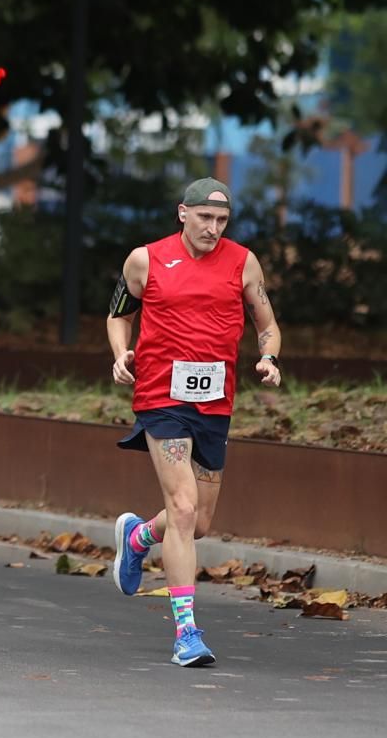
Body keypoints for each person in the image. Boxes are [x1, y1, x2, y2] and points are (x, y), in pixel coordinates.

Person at [108, 178, 283, 667]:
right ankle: (187, 631)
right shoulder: (145, 259)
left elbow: (267, 325)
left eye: (222, 221)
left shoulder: (243, 262)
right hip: (161, 397)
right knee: (183, 509)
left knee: (200, 522)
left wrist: (269, 356)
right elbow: (118, 314)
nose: (213, 228)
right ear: (182, 213)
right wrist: (121, 351)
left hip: (215, 403)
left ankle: (139, 537)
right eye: (204, 218)